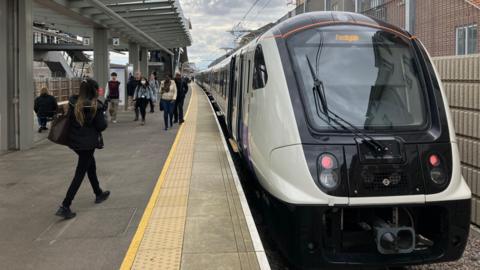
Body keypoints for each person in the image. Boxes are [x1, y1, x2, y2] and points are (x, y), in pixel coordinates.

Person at [56, 79, 110, 219]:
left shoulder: (74, 102)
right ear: (93, 90)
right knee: (80, 172)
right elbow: (101, 126)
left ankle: (98, 193)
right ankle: (65, 205)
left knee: (90, 165)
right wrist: (104, 115)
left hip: (74, 143)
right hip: (88, 144)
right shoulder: (95, 106)